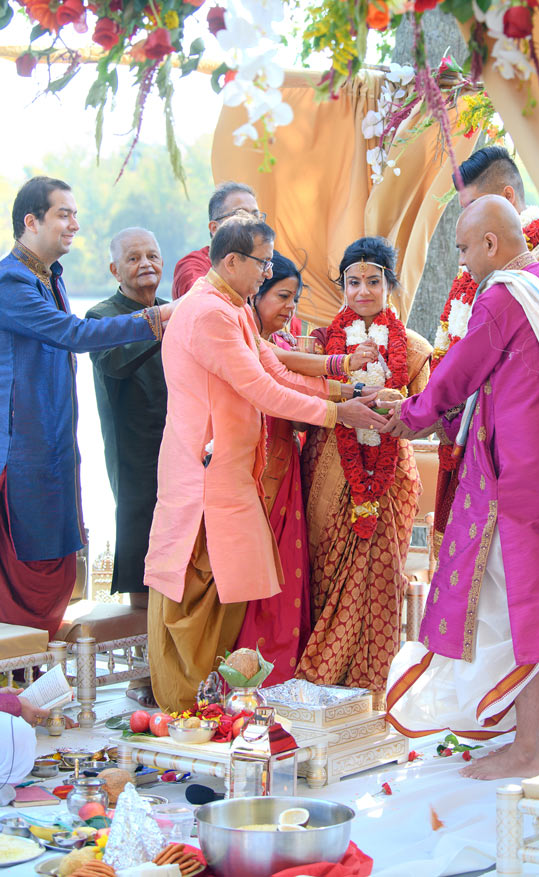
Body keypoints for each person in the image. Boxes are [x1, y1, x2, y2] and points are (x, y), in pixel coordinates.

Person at [384, 196, 539, 780]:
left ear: (490, 244)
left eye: (462, 248)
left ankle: (529, 749)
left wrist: (410, 414)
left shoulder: (505, 294)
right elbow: (514, 383)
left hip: (526, 482)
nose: (461, 263)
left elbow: (462, 372)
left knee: (528, 612)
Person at [144, 216, 384, 711]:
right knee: (196, 592)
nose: (267, 273)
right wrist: (338, 410)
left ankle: (213, 701)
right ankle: (188, 707)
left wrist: (345, 389)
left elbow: (273, 366)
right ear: (231, 261)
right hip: (204, 473)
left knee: (227, 592)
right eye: (263, 263)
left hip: (230, 472)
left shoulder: (229, 306)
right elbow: (261, 389)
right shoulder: (209, 312)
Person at [0, 177, 173, 638]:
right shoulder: (11, 281)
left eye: (75, 213)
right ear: (30, 221)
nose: (75, 223)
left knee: (59, 557)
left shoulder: (47, 278)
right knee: (32, 559)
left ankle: (38, 683)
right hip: (25, 449)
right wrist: (159, 317)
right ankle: (20, 685)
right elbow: (74, 336)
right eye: (64, 214)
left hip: (56, 444)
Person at [430, 145, 539, 558]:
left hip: (528, 455)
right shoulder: (482, 264)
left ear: (506, 201)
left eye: (473, 205)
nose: (465, 222)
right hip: (473, 434)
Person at [295, 237, 433, 692]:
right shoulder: (318, 345)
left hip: (391, 475)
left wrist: (397, 403)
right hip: (331, 471)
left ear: (390, 284)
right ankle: (319, 684)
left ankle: (373, 690)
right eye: (352, 282)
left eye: (373, 281)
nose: (362, 292)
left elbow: (426, 414)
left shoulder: (413, 349)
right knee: (328, 570)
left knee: (382, 576)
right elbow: (301, 403)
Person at [86, 229, 168, 606]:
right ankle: (142, 640)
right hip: (133, 444)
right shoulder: (100, 315)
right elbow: (115, 364)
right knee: (140, 534)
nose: (145, 264)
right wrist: (161, 323)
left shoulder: (172, 308)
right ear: (114, 269)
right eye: (133, 258)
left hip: (180, 441)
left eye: (151, 256)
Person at [172, 180, 263, 299]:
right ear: (215, 228)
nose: (252, 224)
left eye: (256, 217)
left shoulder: (264, 265)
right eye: (241, 215)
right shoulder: (194, 266)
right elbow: (203, 302)